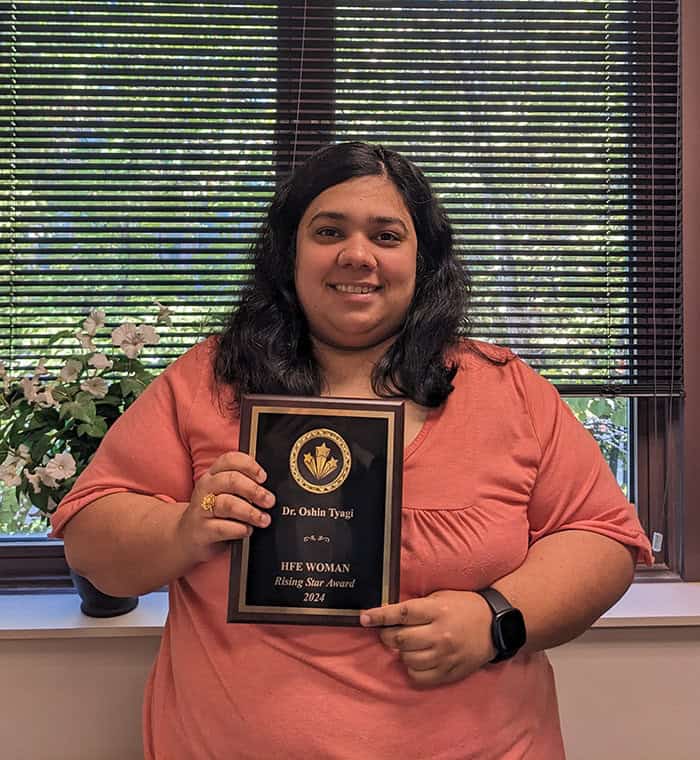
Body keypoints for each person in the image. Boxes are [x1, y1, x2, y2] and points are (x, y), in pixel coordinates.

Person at [51, 141, 652, 760]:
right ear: (290, 252)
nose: (356, 255)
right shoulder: (208, 379)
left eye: (387, 236)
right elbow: (93, 544)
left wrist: (496, 620)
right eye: (329, 231)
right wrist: (183, 527)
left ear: (424, 259)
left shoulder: (505, 388)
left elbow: (603, 539)